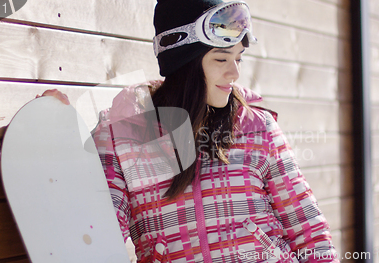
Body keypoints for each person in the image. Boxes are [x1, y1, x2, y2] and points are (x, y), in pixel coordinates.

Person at [41, 0, 339, 262]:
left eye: (238, 59)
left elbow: (308, 230)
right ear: (184, 65)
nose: (234, 73)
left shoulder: (257, 127)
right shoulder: (122, 135)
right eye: (221, 59)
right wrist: (59, 136)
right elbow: (99, 232)